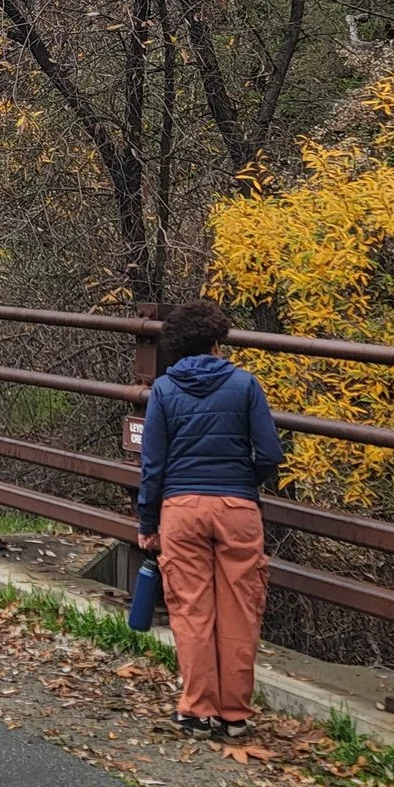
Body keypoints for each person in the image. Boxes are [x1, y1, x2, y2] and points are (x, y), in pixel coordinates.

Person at [136, 296, 282, 740]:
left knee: (191, 610)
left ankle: (197, 709)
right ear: (219, 343)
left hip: (181, 510)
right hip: (238, 508)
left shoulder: (163, 390)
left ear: (177, 346)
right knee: (240, 609)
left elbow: (153, 467)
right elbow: (271, 454)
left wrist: (148, 522)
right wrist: (244, 480)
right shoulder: (245, 386)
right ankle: (235, 715)